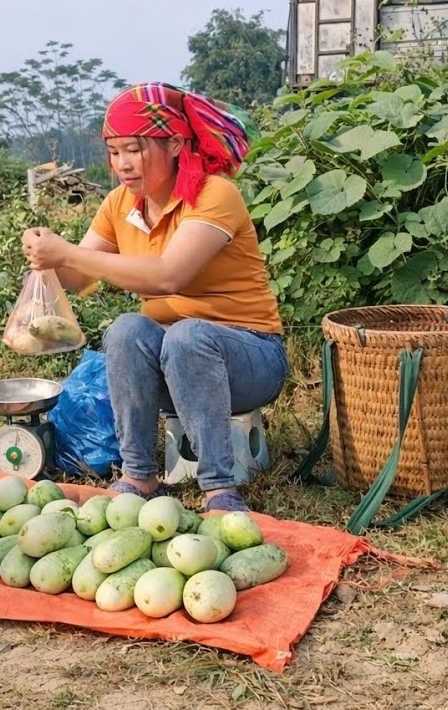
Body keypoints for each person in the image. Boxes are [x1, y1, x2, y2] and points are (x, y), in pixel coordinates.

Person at [21, 83, 288, 513]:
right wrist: (47, 254)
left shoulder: (214, 194)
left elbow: (169, 276)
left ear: (176, 144)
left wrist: (69, 252)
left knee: (187, 336)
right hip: (172, 367)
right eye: (114, 152)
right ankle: (139, 475)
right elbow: (78, 276)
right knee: (127, 329)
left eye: (134, 150)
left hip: (250, 359)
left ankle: (219, 488)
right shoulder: (119, 204)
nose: (122, 165)